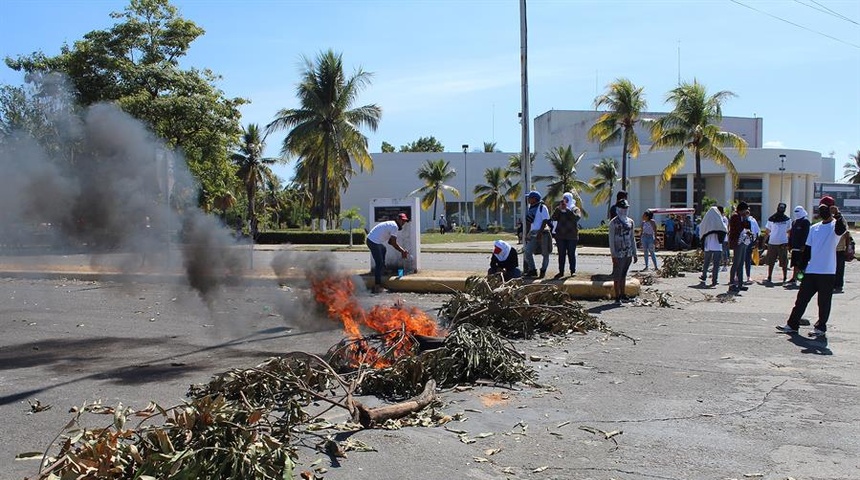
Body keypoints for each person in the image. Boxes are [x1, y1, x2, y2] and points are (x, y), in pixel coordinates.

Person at [776, 196, 847, 338]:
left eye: (825, 209)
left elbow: (842, 229)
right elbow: (807, 249)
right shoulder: (814, 228)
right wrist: (802, 267)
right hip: (811, 270)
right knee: (801, 299)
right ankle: (792, 324)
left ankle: (820, 327)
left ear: (831, 209)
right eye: (821, 209)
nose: (823, 211)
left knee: (824, 302)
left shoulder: (835, 226)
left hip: (827, 271)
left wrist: (838, 214)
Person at [365, 213, 410, 293]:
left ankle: (383, 268)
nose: (403, 223)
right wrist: (402, 251)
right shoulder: (394, 226)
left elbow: (390, 242)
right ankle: (377, 286)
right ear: (398, 219)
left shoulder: (392, 225)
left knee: (383, 249)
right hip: (373, 242)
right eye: (402, 221)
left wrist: (401, 250)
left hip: (372, 240)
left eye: (405, 221)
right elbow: (393, 243)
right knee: (379, 263)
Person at [609, 199, 637, 303]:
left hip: (628, 252)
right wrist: (613, 255)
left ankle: (623, 294)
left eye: (626, 208)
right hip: (618, 253)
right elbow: (611, 240)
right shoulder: (613, 222)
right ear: (618, 209)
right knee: (617, 276)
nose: (624, 210)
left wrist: (635, 253)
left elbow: (632, 238)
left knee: (624, 274)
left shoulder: (630, 222)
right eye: (622, 208)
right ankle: (617, 296)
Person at [550, 192, 581, 279]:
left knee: (571, 254)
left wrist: (567, 210)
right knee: (561, 254)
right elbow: (553, 218)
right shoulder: (559, 209)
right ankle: (561, 271)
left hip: (572, 236)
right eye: (564, 199)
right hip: (560, 236)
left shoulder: (575, 209)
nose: (565, 201)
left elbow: (576, 218)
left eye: (566, 199)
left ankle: (572, 271)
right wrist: (559, 209)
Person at [522, 190, 552, 278]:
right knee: (527, 251)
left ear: (534, 199)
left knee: (545, 254)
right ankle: (532, 270)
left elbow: (545, 220)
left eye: (529, 198)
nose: (528, 199)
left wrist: (540, 233)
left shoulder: (542, 207)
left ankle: (543, 271)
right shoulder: (531, 208)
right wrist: (528, 234)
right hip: (533, 233)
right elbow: (530, 223)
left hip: (543, 233)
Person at [698, 206, 727, 288]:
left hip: (708, 245)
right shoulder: (719, 220)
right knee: (716, 263)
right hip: (717, 245)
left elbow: (701, 229)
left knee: (706, 262)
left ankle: (704, 276)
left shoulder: (706, 221)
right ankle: (714, 280)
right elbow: (724, 229)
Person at [763, 203, 791, 284]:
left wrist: (788, 242)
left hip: (783, 243)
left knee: (784, 262)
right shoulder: (771, 219)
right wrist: (764, 241)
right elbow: (767, 231)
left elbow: (789, 232)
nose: (781, 209)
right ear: (777, 208)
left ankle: (785, 277)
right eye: (780, 207)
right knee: (771, 261)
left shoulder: (787, 219)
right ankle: (769, 276)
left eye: (783, 208)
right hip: (772, 243)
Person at [728, 201, 751, 292]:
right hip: (737, 242)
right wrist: (744, 219)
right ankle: (732, 283)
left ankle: (740, 284)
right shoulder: (735, 217)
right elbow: (739, 228)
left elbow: (748, 226)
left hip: (743, 241)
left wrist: (746, 218)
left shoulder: (742, 217)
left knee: (741, 263)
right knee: (736, 263)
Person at [786, 205, 811, 288]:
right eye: (795, 211)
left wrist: (804, 245)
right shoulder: (794, 222)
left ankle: (802, 279)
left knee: (802, 264)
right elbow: (791, 234)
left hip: (802, 247)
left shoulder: (805, 221)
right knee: (795, 264)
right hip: (794, 246)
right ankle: (794, 278)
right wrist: (789, 244)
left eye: (798, 211)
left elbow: (806, 234)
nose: (796, 213)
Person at [834, 218, 854, 293]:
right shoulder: (832, 227)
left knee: (839, 269)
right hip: (832, 251)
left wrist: (846, 249)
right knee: (832, 269)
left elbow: (848, 238)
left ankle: (839, 285)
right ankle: (832, 284)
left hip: (840, 250)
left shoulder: (844, 229)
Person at [743, 211, 761, 281]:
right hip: (741, 241)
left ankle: (748, 276)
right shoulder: (741, 219)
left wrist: (756, 242)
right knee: (739, 259)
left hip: (749, 242)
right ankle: (737, 275)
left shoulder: (753, 221)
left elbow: (756, 232)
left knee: (748, 259)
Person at [718, 205, 730, 271]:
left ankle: (724, 265)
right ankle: (719, 265)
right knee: (719, 252)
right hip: (720, 237)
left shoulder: (724, 218)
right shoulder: (720, 218)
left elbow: (727, 228)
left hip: (723, 237)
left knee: (724, 252)